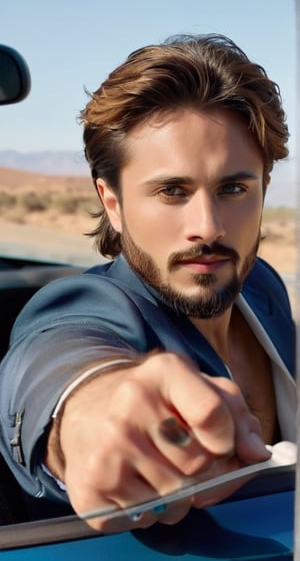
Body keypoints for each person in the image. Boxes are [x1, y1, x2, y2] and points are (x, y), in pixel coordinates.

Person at [0, 33, 296, 533]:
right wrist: (96, 413)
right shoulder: (89, 307)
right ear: (112, 203)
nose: (209, 226)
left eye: (233, 188)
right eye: (172, 191)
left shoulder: (261, 286)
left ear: (264, 187)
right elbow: (57, 365)